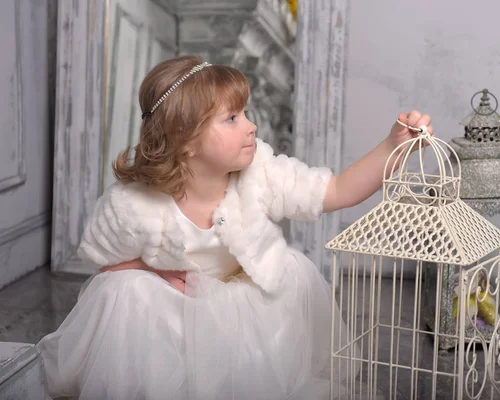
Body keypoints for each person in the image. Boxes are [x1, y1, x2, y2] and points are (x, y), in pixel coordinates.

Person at [37, 55, 433, 400]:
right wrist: (154, 270)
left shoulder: (259, 172)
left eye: (245, 113)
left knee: (290, 269)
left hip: (245, 305)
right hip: (175, 310)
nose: (251, 126)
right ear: (185, 138)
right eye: (231, 118)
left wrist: (391, 146)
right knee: (125, 291)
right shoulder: (136, 204)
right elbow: (105, 265)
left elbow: (335, 190)